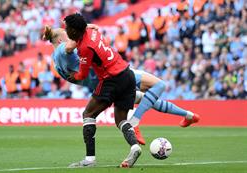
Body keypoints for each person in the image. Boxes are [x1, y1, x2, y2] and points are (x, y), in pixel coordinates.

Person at [43, 24, 200, 146]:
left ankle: (189, 115)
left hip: (105, 87)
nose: (72, 36)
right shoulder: (63, 50)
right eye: (68, 35)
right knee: (159, 86)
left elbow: (77, 74)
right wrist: (84, 28)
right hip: (114, 76)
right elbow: (71, 46)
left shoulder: (56, 63)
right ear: (60, 41)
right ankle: (135, 121)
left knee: (147, 99)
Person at [65, 13, 141, 168]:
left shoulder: (85, 48)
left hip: (111, 79)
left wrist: (71, 76)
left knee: (88, 114)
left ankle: (89, 160)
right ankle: (134, 146)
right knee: (120, 120)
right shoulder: (93, 31)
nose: (65, 30)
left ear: (74, 31)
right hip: (127, 74)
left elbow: (83, 75)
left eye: (67, 28)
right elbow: (93, 27)